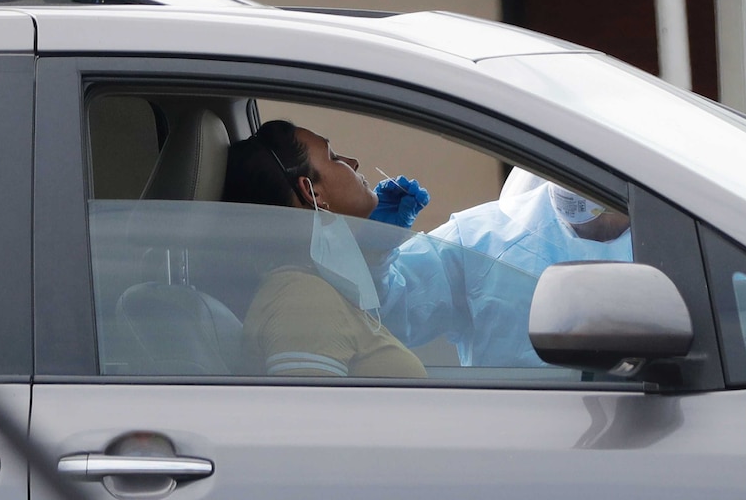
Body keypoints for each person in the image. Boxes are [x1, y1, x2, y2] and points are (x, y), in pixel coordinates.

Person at [222, 119, 428, 378]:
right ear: (313, 193)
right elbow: (309, 417)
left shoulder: (319, 286)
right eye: (333, 157)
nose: (353, 162)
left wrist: (373, 254)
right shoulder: (303, 300)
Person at [375, 167, 632, 367]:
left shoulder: (667, 237)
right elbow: (379, 315)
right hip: (507, 428)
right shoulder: (479, 238)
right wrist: (375, 251)